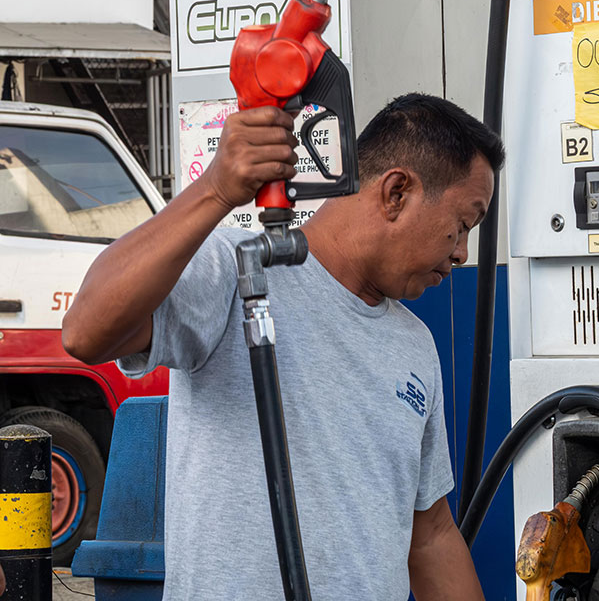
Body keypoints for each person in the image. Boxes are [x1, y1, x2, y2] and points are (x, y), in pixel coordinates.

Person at [62, 93, 503, 600]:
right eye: (463, 224)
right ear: (396, 192)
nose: (462, 253)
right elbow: (85, 332)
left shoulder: (415, 345)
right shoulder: (238, 268)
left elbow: (430, 535)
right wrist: (214, 190)